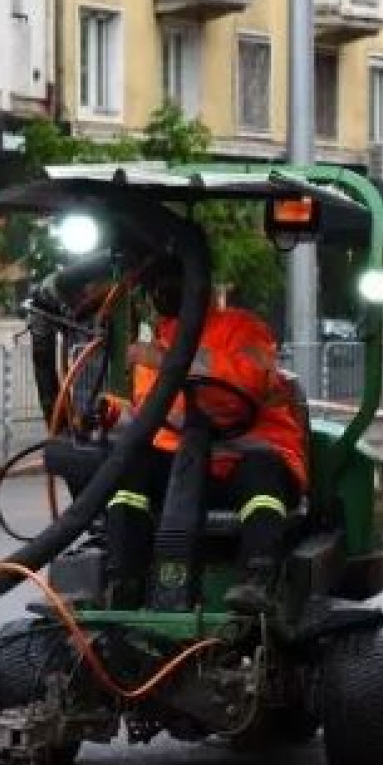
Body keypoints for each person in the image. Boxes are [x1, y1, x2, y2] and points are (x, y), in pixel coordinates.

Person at [100, 256, 307, 615]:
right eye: (157, 287)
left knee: (260, 479)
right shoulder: (158, 343)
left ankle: (258, 578)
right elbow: (149, 412)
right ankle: (122, 580)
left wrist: (171, 361)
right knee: (126, 468)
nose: (163, 294)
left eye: (172, 284)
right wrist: (112, 414)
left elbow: (248, 381)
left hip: (248, 456)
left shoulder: (242, 329)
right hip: (184, 464)